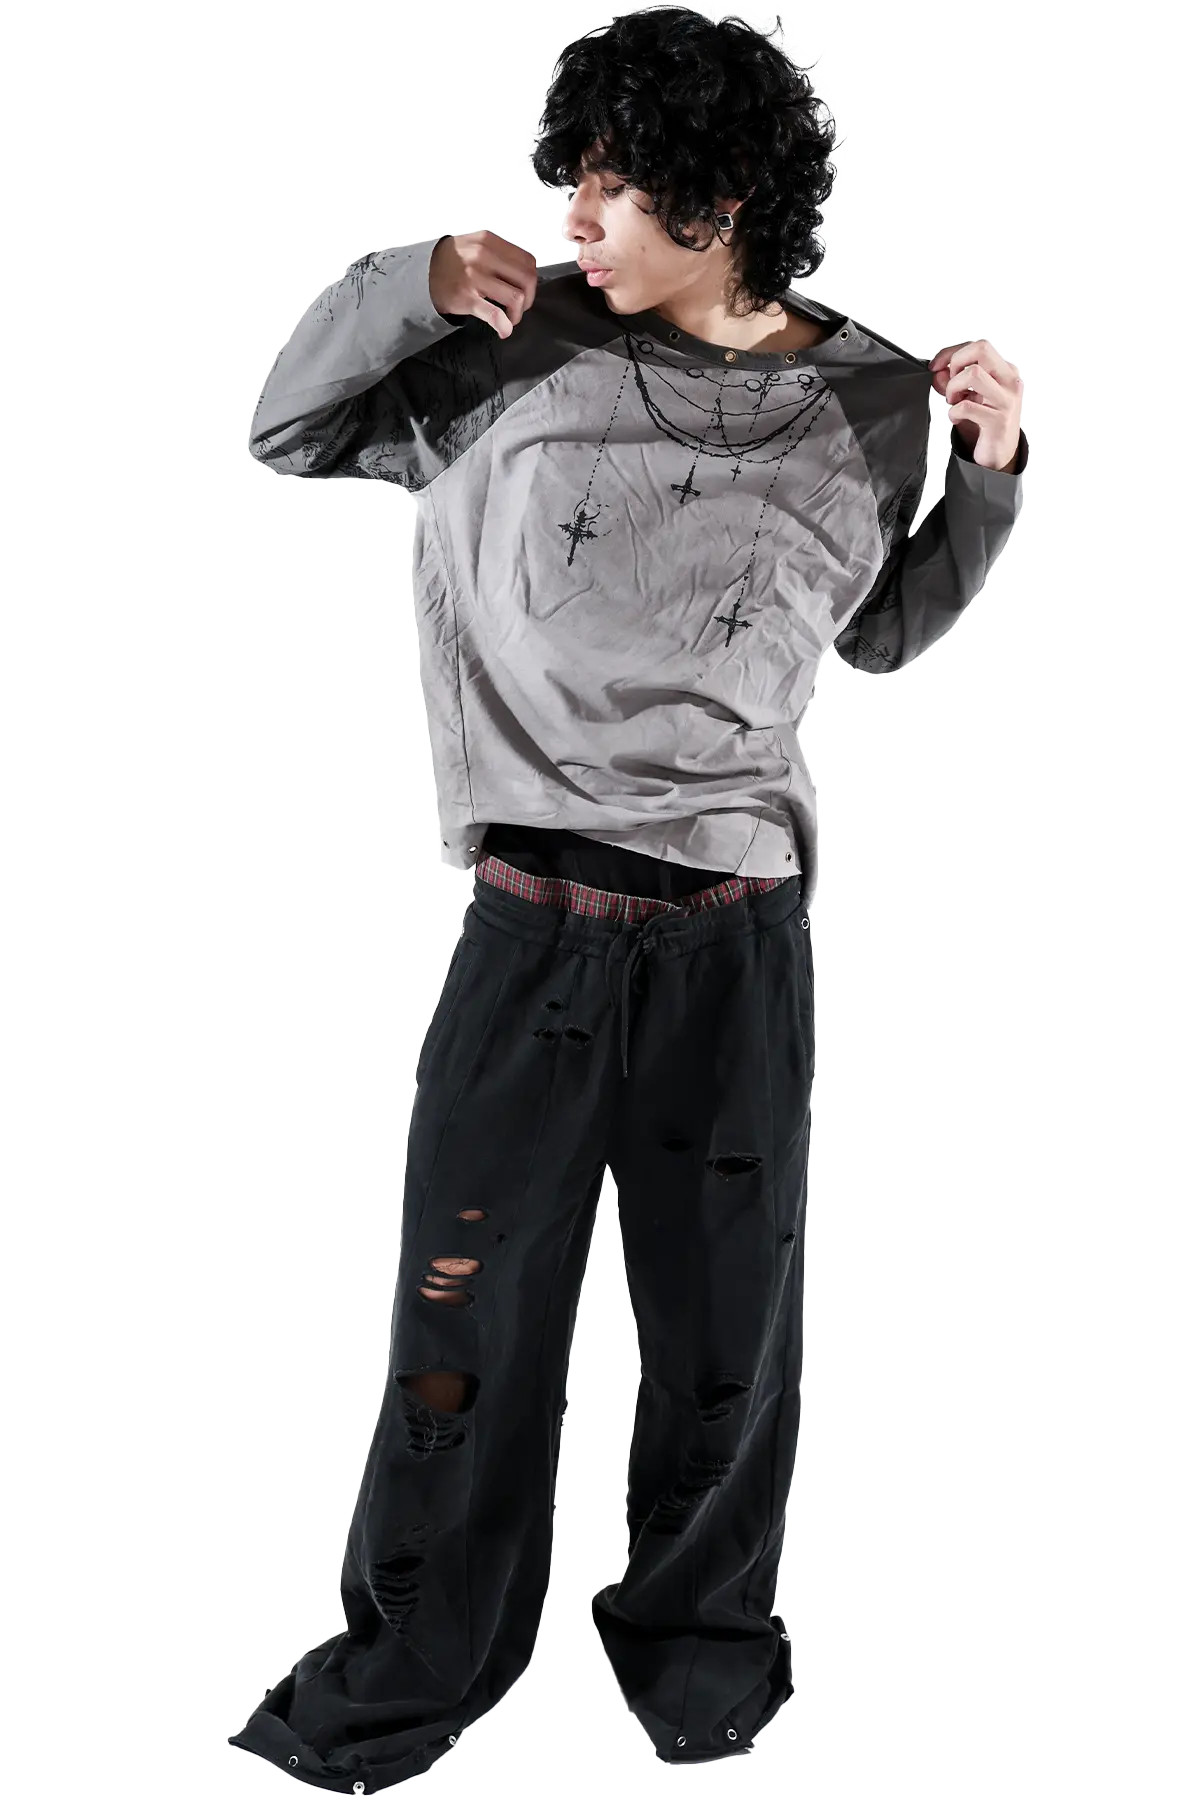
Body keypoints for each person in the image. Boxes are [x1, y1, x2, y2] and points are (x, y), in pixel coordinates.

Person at [230, 6, 1028, 1792]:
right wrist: (413, 282)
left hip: (738, 936)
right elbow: (289, 431)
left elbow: (886, 634)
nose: (573, 216)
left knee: (728, 1325)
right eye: (571, 177)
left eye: (611, 183)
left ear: (723, 195)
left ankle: (699, 1639)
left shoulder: (868, 397)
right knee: (463, 1318)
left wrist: (984, 478)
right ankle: (423, 1649)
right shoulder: (511, 343)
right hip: (534, 922)